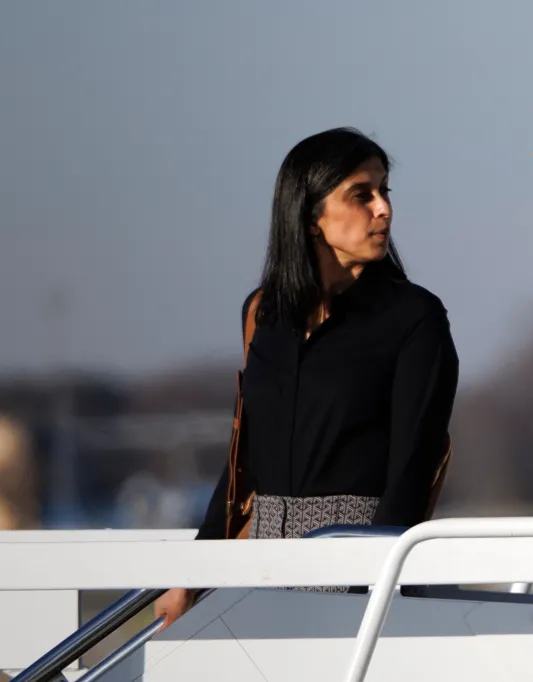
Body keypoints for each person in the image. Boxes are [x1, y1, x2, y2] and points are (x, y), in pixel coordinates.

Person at [154, 127, 459, 628]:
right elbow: (243, 464)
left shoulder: (415, 318)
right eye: (362, 195)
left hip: (360, 567)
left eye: (385, 192)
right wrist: (194, 572)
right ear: (311, 215)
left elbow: (412, 466)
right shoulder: (262, 314)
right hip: (258, 566)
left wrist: (368, 586)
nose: (383, 208)